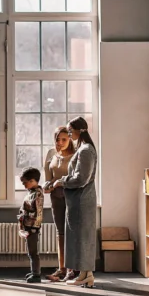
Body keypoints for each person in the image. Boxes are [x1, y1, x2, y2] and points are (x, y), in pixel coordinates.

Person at [51, 117, 98, 287]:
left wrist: (61, 181)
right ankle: (86, 275)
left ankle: (85, 274)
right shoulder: (84, 148)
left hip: (81, 200)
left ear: (80, 130)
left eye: (70, 131)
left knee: (82, 238)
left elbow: (81, 178)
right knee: (81, 237)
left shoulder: (86, 150)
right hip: (79, 200)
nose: (69, 134)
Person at [42, 126, 76, 282]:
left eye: (64, 139)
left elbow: (78, 179)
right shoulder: (51, 154)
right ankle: (61, 268)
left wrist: (59, 184)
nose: (60, 142)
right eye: (57, 139)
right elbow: (48, 178)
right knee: (60, 232)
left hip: (72, 196)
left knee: (71, 232)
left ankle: (72, 269)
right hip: (56, 197)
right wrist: (46, 186)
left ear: (70, 139)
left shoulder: (76, 155)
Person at [17, 167, 44, 284]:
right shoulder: (31, 193)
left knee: (33, 252)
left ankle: (36, 274)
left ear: (33, 181)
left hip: (32, 227)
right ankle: (34, 271)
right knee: (30, 251)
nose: (23, 185)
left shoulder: (37, 194)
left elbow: (37, 213)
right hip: (28, 226)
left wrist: (33, 227)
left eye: (25, 182)